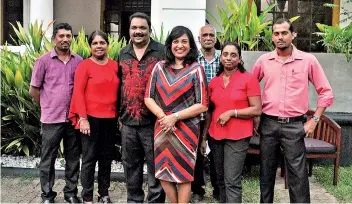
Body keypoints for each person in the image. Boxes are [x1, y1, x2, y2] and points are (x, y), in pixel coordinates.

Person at [251, 18, 334, 203]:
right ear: (272, 37)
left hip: (295, 126)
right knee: (266, 173)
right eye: (276, 33)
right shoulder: (263, 61)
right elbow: (250, 88)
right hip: (268, 124)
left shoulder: (308, 60)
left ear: (293, 35)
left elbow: (326, 92)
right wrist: (255, 116)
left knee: (298, 176)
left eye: (284, 33)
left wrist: (315, 120)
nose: (280, 37)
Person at [144, 25, 208, 203]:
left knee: (184, 174)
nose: (180, 45)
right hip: (163, 127)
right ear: (170, 44)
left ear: (190, 45)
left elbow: (203, 104)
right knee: (163, 173)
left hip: (186, 129)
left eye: (184, 41)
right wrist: (164, 117)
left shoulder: (196, 69)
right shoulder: (159, 67)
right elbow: (148, 97)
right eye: (176, 41)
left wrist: (175, 117)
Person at [201, 42, 262, 203]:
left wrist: (232, 113)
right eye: (225, 54)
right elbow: (209, 111)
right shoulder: (214, 81)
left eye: (233, 55)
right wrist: (204, 137)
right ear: (220, 58)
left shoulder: (248, 79)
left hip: (238, 136)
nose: (229, 58)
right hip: (215, 135)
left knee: (232, 181)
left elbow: (256, 109)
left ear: (240, 59)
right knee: (219, 180)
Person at [29, 23, 82, 204]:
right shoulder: (43, 61)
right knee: (48, 159)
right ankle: (47, 195)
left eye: (68, 36)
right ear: (54, 39)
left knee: (73, 158)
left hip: (72, 119)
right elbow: (34, 90)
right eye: (61, 36)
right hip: (51, 119)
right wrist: (46, 105)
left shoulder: (79, 61)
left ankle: (71, 193)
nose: (65, 39)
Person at [118, 12, 166, 203]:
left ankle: (155, 200)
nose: (138, 32)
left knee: (156, 165)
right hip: (128, 120)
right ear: (129, 30)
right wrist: (118, 116)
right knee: (131, 165)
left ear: (149, 30)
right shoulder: (122, 52)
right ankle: (134, 200)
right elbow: (118, 84)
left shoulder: (161, 51)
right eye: (134, 28)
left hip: (153, 121)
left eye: (142, 28)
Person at [68, 30, 119, 204]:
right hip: (90, 119)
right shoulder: (84, 65)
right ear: (90, 46)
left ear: (107, 45)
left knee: (106, 158)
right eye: (95, 43)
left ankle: (103, 193)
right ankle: (87, 196)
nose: (99, 46)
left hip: (110, 119)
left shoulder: (114, 65)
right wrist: (82, 118)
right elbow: (78, 93)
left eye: (102, 43)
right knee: (89, 159)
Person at [191, 24, 220, 202]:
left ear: (215, 38)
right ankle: (197, 189)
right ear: (199, 38)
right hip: (197, 115)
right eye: (204, 35)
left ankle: (218, 188)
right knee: (197, 154)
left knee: (216, 153)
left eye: (211, 35)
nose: (208, 38)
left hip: (219, 115)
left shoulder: (224, 57)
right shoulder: (193, 60)